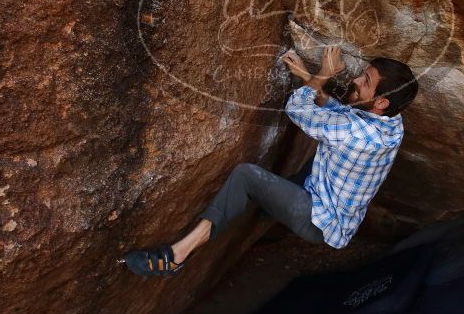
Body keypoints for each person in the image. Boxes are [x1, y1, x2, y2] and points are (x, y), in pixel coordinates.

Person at [122, 45, 419, 276]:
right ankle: (267, 208)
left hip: (318, 220)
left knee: (246, 176)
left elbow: (298, 110)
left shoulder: (358, 136)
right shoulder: (391, 121)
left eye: (365, 81)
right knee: (308, 164)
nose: (355, 79)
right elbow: (343, 113)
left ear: (381, 102)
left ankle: (177, 256)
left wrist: (323, 74)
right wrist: (307, 76)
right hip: (331, 198)